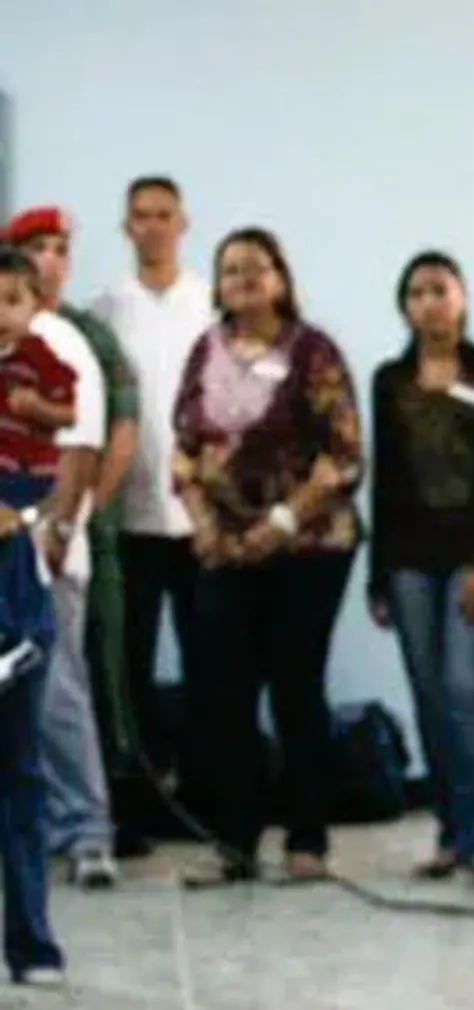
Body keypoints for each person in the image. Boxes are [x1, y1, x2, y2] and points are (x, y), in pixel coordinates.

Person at [172, 228, 363, 887]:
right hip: (224, 549)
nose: (244, 278)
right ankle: (235, 842)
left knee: (295, 688)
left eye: (257, 267)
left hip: (309, 545)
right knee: (225, 694)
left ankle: (306, 839)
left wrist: (279, 523)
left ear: (281, 278)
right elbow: (185, 448)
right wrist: (202, 523)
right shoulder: (207, 350)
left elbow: (342, 455)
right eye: (230, 270)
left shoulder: (313, 351)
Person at [368, 251, 474, 890]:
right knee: (429, 696)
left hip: (471, 559)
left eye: (440, 289)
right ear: (405, 307)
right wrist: (377, 576)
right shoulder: (390, 379)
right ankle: (448, 834)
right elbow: (384, 481)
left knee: (464, 689)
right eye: (417, 292)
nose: (430, 302)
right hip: (408, 562)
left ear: (462, 297)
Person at [6, 206, 136, 889]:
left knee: (56, 692)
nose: (50, 262)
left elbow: (81, 445)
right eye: (37, 250)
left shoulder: (61, 342)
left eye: (60, 251)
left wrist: (58, 526)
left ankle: (87, 833)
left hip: (44, 550)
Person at [93, 176, 217, 826]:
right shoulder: (107, 309)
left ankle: (203, 801)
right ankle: (135, 806)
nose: (153, 227)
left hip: (200, 523)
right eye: (140, 216)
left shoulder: (209, 304)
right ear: (126, 227)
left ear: (183, 222)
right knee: (129, 671)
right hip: (132, 520)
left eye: (164, 215)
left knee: (209, 666)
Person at [0, 244, 69, 984]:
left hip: (13, 576)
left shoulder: (39, 372)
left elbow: (47, 473)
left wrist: (18, 509)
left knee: (18, 774)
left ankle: (31, 941)